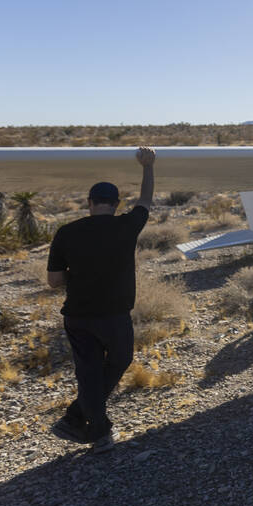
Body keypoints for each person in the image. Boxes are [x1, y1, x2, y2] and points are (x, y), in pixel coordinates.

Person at [46, 147, 155, 453]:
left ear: (90, 203)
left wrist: (79, 275)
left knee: (89, 372)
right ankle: (95, 430)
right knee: (119, 362)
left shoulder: (66, 232)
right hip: (114, 315)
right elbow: (146, 200)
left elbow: (54, 280)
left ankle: (78, 419)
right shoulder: (126, 226)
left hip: (78, 316)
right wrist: (148, 166)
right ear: (117, 204)